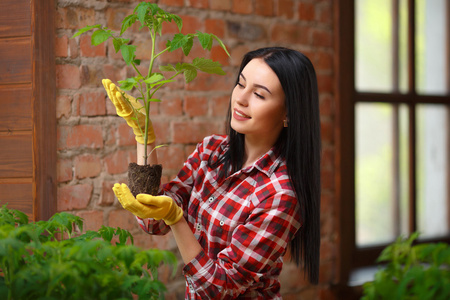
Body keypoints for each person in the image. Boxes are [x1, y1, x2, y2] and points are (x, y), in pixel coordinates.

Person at [104, 47, 321, 299]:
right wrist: (144, 137)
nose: (241, 98)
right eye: (240, 84)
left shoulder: (281, 195)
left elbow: (218, 289)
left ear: (289, 113)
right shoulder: (211, 152)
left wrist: (177, 219)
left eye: (259, 95)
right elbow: (152, 221)